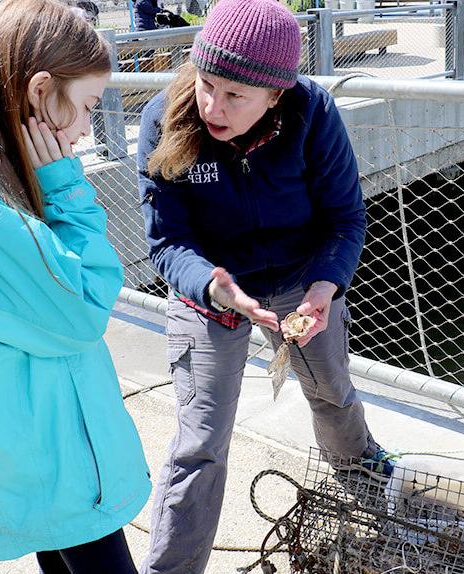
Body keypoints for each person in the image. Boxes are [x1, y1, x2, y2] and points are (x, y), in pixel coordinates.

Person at [135, 0, 395, 571]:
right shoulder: (164, 119)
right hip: (213, 294)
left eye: (234, 96)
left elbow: (346, 217)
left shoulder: (312, 111)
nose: (212, 106)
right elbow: (165, 240)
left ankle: (362, 469)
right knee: (200, 443)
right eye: (206, 84)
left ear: (276, 94)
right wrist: (210, 285)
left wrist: (326, 285)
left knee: (330, 387)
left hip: (303, 282)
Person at [0, 0, 151, 571]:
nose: (91, 125)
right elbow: (82, 309)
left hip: (24, 447)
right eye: (90, 105)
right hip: (59, 462)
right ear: (41, 90)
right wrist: (68, 191)